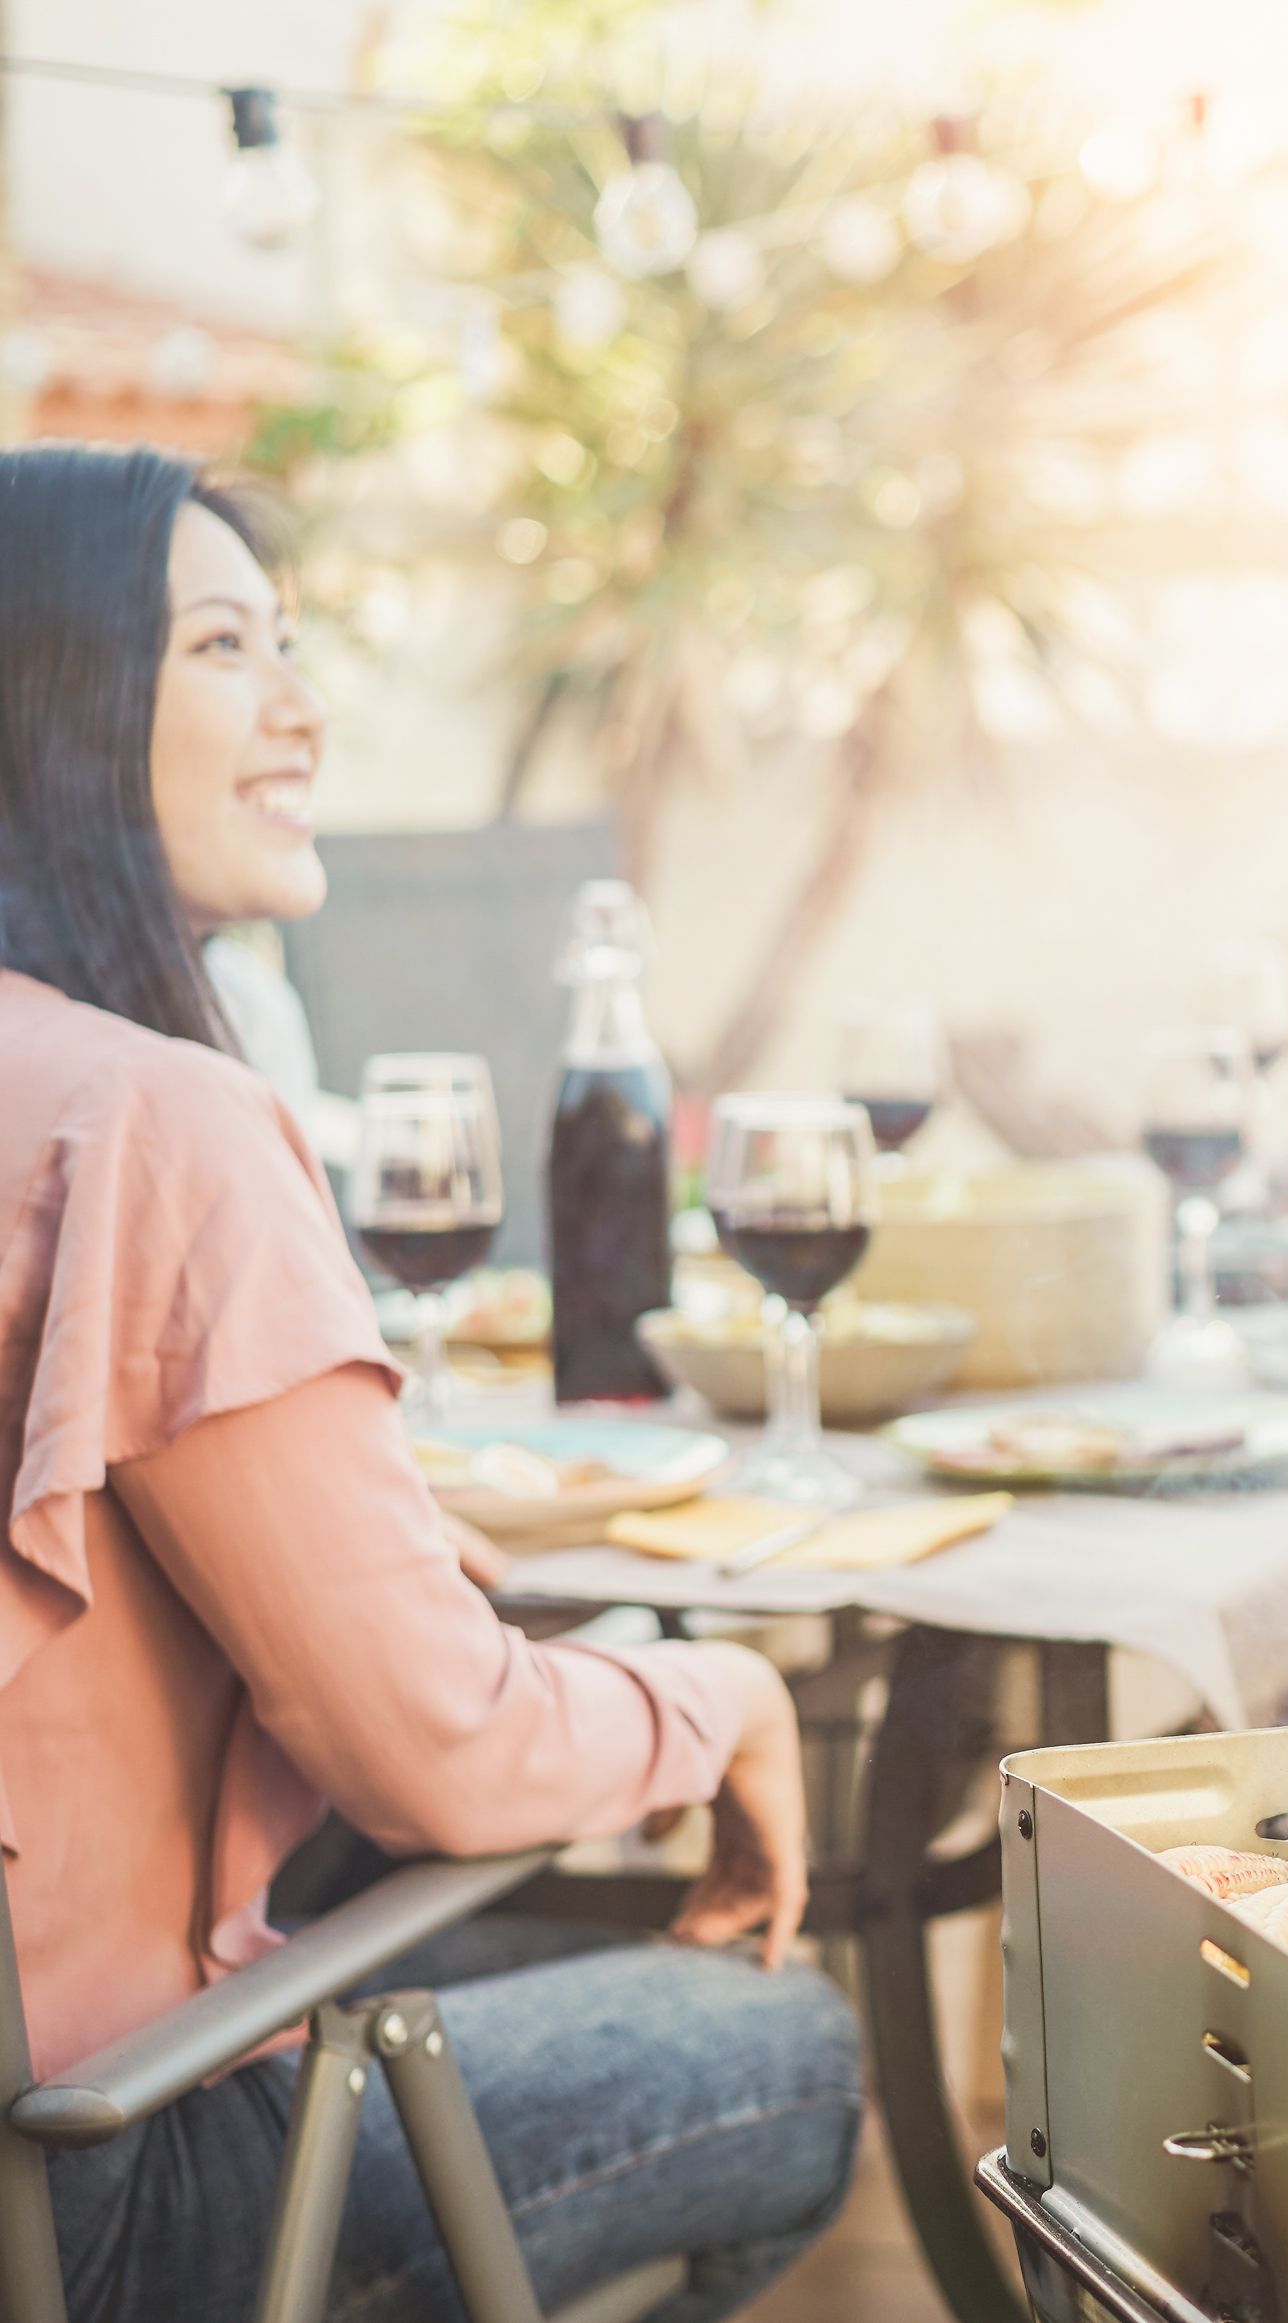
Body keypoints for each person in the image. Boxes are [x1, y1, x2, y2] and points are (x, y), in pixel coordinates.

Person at [0, 444, 857, 2323]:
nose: (305, 706)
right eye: (227, 644)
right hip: (92, 2187)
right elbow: (440, 1748)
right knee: (787, 2044)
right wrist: (719, 1700)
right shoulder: (157, 1116)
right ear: (49, 706)